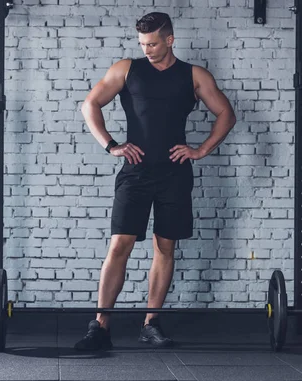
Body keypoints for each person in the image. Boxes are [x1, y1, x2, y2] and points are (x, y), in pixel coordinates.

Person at [75, 12, 236, 351]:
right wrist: (111, 144)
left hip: (174, 173)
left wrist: (201, 149)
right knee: (120, 244)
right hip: (135, 172)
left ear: (170, 40)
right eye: (142, 44)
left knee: (165, 247)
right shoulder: (126, 69)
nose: (146, 50)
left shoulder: (194, 75)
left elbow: (226, 113)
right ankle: (101, 325)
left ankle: (151, 323)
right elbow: (90, 104)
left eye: (152, 44)